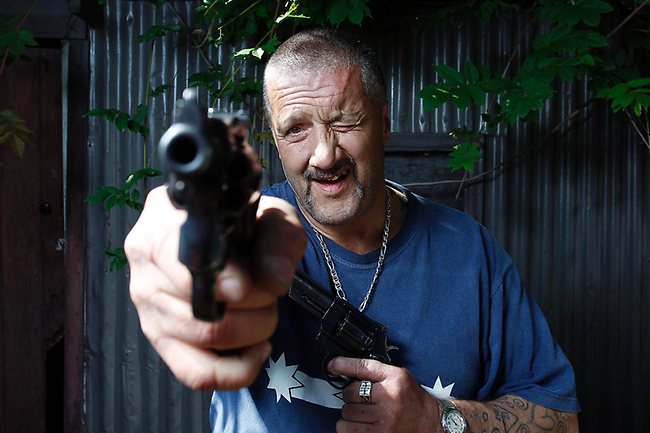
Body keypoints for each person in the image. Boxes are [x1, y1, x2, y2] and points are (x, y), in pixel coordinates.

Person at [125, 28, 580, 433]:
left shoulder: (470, 253)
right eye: (296, 129)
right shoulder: (257, 225)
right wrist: (186, 263)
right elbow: (182, 242)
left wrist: (439, 419)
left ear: (383, 124)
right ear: (274, 139)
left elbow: (562, 420)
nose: (325, 155)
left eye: (345, 121)